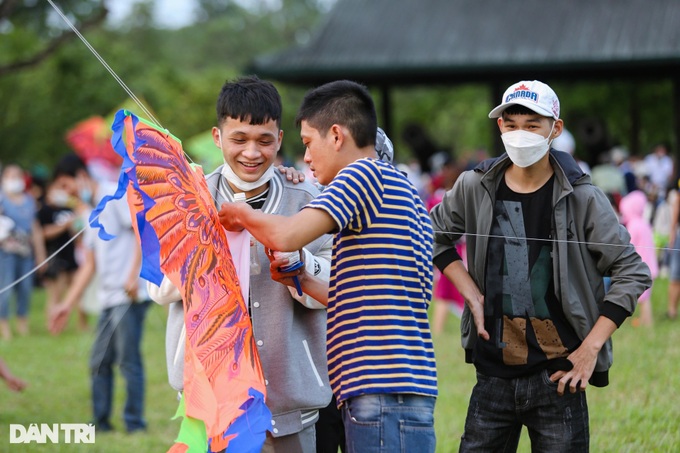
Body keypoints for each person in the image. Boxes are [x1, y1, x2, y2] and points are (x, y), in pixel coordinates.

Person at [429, 80, 652, 451]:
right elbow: (433, 233)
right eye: (511, 124)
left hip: (559, 377)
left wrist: (590, 348)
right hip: (492, 375)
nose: (520, 134)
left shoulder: (582, 197)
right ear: (499, 127)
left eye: (532, 125)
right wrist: (470, 293)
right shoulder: (475, 185)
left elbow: (633, 270)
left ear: (555, 129)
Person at [218, 80, 438, 453]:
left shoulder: (360, 174)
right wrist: (301, 277)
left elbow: (288, 235)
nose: (304, 158)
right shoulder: (405, 193)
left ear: (336, 135)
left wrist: (240, 213)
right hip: (407, 388)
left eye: (307, 143)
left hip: (376, 389)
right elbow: (359, 297)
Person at [148, 76, 333, 453]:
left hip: (287, 402)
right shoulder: (187, 200)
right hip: (210, 401)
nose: (252, 152)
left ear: (280, 140)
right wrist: (199, 247)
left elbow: (333, 287)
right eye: (239, 139)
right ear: (218, 137)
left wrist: (299, 262)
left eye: (264, 141)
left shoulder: (307, 201)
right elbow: (157, 289)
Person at [48, 154, 151, 433]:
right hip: (108, 296)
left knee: (128, 360)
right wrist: (67, 305)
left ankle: (135, 424)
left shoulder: (114, 194)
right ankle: (101, 422)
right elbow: (90, 264)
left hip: (129, 294)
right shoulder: (88, 210)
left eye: (67, 185)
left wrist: (133, 276)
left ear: (81, 176)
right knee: (99, 361)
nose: (67, 192)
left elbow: (142, 231)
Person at [0, 164, 46, 340]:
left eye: (17, 175)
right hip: (5, 251)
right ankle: (4, 326)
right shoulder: (2, 199)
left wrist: (41, 254)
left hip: (26, 251)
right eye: (10, 175)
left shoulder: (29, 200)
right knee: (6, 287)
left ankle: (22, 324)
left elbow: (35, 228)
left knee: (26, 288)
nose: (14, 179)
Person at [37, 176, 86, 330]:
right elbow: (43, 232)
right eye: (57, 189)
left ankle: (82, 324)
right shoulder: (44, 210)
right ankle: (53, 325)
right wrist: (64, 226)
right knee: (55, 292)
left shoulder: (69, 208)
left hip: (71, 254)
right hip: (54, 255)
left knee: (77, 290)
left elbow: (77, 233)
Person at [619, 190, 658, 327]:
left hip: (641, 267)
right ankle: (643, 320)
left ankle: (647, 322)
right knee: (643, 297)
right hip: (650, 266)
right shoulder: (644, 223)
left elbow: (629, 246)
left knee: (643, 299)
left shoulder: (633, 225)